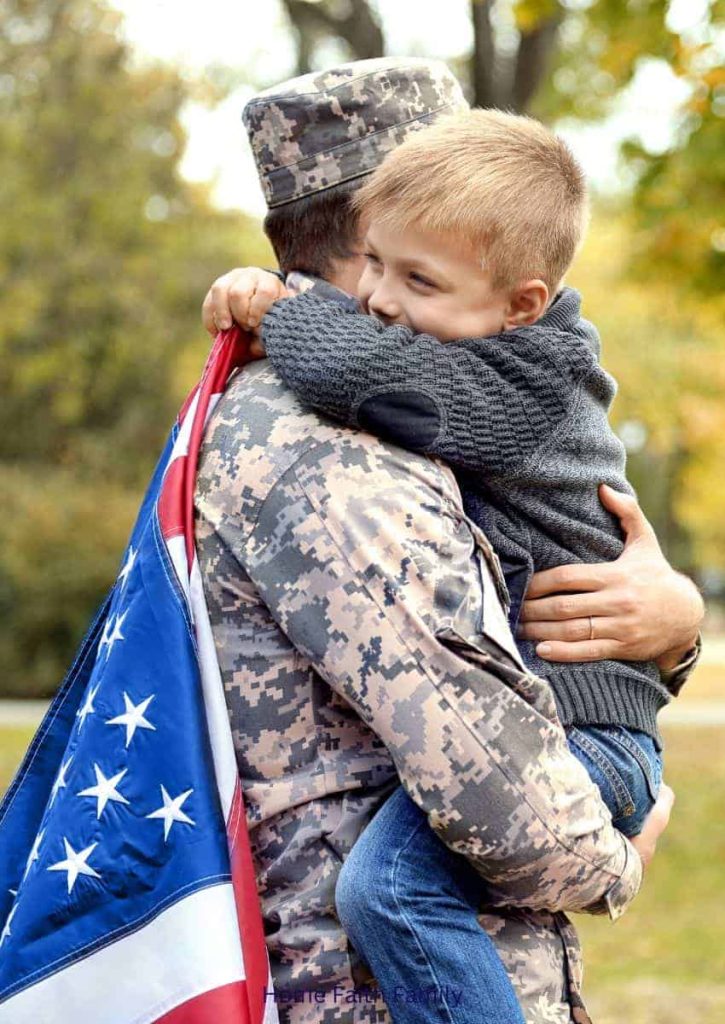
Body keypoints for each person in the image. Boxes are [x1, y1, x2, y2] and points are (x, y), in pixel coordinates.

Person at [195, 58, 701, 1024]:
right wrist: (613, 859)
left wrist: (677, 626)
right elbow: (500, 787)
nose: (386, 302)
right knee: (390, 887)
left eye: (419, 276)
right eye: (381, 268)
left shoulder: (487, 376)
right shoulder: (326, 446)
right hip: (355, 982)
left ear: (515, 291)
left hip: (588, 738)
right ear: (360, 235)